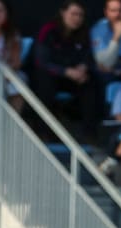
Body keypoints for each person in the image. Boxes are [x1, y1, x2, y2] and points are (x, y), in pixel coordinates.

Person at [33, 1, 101, 142]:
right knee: (45, 83)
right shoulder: (48, 30)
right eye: (73, 14)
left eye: (80, 15)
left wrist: (84, 67)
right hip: (50, 76)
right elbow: (41, 62)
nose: (77, 18)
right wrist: (65, 71)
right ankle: (42, 132)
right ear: (63, 13)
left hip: (73, 78)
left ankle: (89, 135)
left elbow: (88, 57)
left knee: (91, 82)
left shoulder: (84, 33)